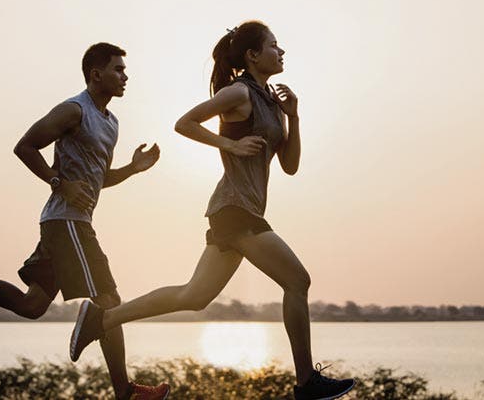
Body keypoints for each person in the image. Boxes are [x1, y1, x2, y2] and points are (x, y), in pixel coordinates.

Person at [70, 22, 356, 400]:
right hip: (235, 210)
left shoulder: (271, 101)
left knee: (193, 296)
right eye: (274, 45)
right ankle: (306, 381)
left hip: (242, 209)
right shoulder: (238, 92)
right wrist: (229, 145)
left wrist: (294, 116)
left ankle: (102, 319)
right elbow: (183, 123)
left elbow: (289, 164)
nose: (281, 51)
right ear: (253, 55)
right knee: (297, 281)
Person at [0, 42, 170, 400]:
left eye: (125, 70)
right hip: (67, 222)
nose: (125, 76)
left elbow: (97, 179)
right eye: (118, 69)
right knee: (109, 299)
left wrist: (131, 169)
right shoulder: (73, 111)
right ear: (96, 75)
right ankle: (125, 392)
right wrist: (58, 183)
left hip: (68, 221)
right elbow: (25, 146)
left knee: (32, 306)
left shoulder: (111, 123)